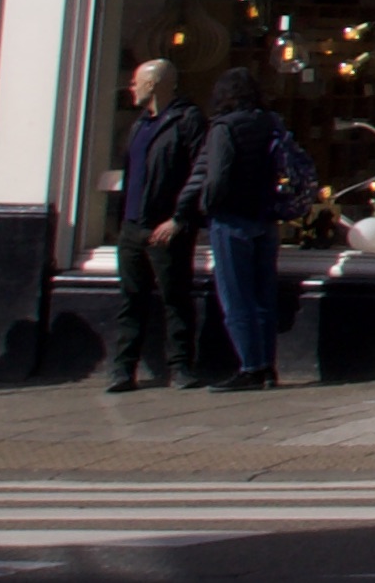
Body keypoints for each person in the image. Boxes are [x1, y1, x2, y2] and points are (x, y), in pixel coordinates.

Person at [189, 62, 298, 391]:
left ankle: (250, 367)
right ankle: (267, 367)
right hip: (266, 217)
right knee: (263, 296)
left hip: (232, 217)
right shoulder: (271, 122)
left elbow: (218, 176)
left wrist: (206, 206)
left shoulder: (224, 127)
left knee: (236, 297)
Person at [106, 57, 208, 393]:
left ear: (152, 84)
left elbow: (200, 173)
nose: (131, 87)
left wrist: (180, 218)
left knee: (174, 299)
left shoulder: (187, 120)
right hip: (132, 226)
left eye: (136, 82)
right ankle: (123, 369)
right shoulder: (140, 125)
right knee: (130, 300)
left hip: (165, 227)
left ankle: (181, 367)